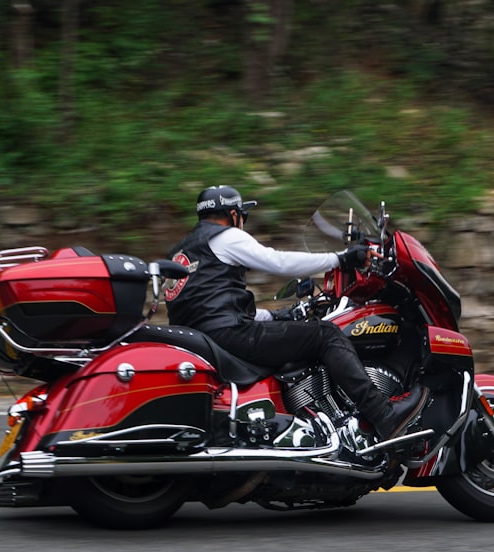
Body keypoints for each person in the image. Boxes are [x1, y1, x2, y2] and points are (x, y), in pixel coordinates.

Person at [165, 185, 427, 441]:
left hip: (204, 338)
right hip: (229, 335)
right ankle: (385, 416)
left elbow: (212, 308)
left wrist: (277, 316)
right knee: (326, 335)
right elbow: (277, 262)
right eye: (242, 216)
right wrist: (342, 259)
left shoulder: (182, 251)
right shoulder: (226, 236)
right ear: (234, 215)